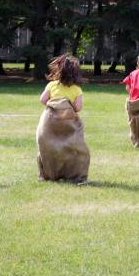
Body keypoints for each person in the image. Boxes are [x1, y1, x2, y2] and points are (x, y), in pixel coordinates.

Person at [36, 54, 90, 183]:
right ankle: (75, 175)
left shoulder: (51, 85)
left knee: (48, 147)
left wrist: (55, 106)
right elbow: (78, 108)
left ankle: (46, 174)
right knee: (74, 148)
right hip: (68, 123)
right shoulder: (77, 89)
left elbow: (42, 100)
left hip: (50, 122)